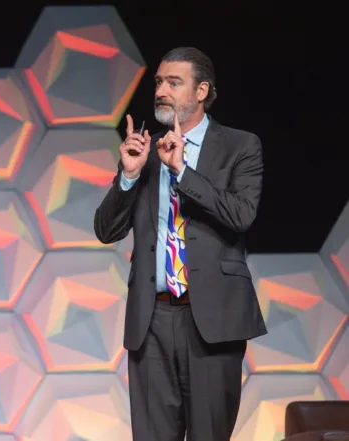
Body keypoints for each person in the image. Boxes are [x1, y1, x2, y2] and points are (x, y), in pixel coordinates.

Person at [93, 47, 267, 441]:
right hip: (151, 319)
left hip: (211, 320)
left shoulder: (240, 146)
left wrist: (182, 171)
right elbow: (106, 230)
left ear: (201, 91)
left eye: (174, 82)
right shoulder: (146, 150)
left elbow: (240, 215)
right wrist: (128, 176)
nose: (161, 91)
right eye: (159, 82)